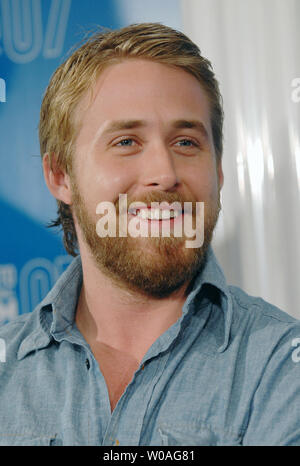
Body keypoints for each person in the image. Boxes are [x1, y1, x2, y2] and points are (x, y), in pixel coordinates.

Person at [0, 22, 299, 447]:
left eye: (186, 142)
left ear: (218, 172)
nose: (164, 174)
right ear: (60, 175)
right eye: (126, 141)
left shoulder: (281, 368)